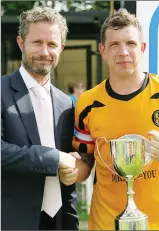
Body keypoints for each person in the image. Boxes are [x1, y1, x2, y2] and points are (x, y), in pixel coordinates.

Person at [59, 9, 159, 230]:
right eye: (114, 45)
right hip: (105, 223)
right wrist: (71, 171)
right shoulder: (87, 102)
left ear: (143, 48)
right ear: (102, 51)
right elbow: (86, 164)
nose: (123, 52)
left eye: (130, 43)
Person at [1, 6, 80, 230]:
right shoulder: (1, 90)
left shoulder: (66, 103)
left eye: (52, 44)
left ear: (61, 48)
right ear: (20, 42)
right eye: (37, 42)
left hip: (58, 222)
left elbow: (68, 168)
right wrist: (53, 158)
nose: (45, 52)